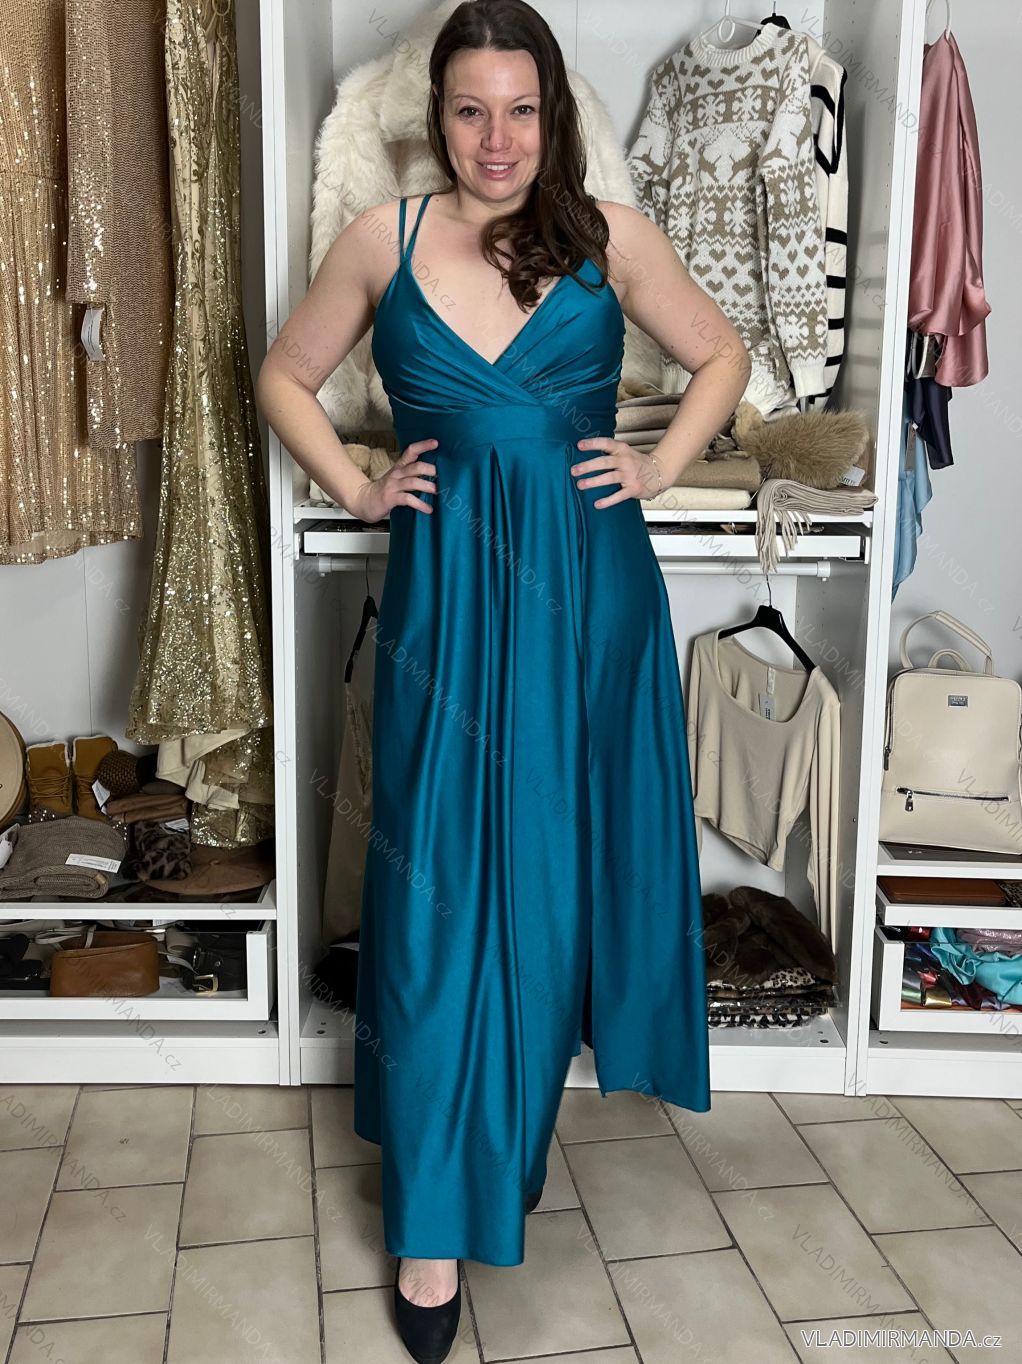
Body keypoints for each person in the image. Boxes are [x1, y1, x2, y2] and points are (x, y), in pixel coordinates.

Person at [257, 2, 750, 1359]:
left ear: (553, 114)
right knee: (432, 897)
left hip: (588, 604)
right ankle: (433, 1216)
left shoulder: (610, 238)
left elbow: (723, 355)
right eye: (471, 110)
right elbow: (284, 375)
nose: (496, 139)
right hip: (447, 606)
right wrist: (360, 484)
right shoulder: (384, 238)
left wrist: (658, 466)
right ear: (437, 113)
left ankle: (504, 1140)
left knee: (545, 892)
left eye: (521, 110)